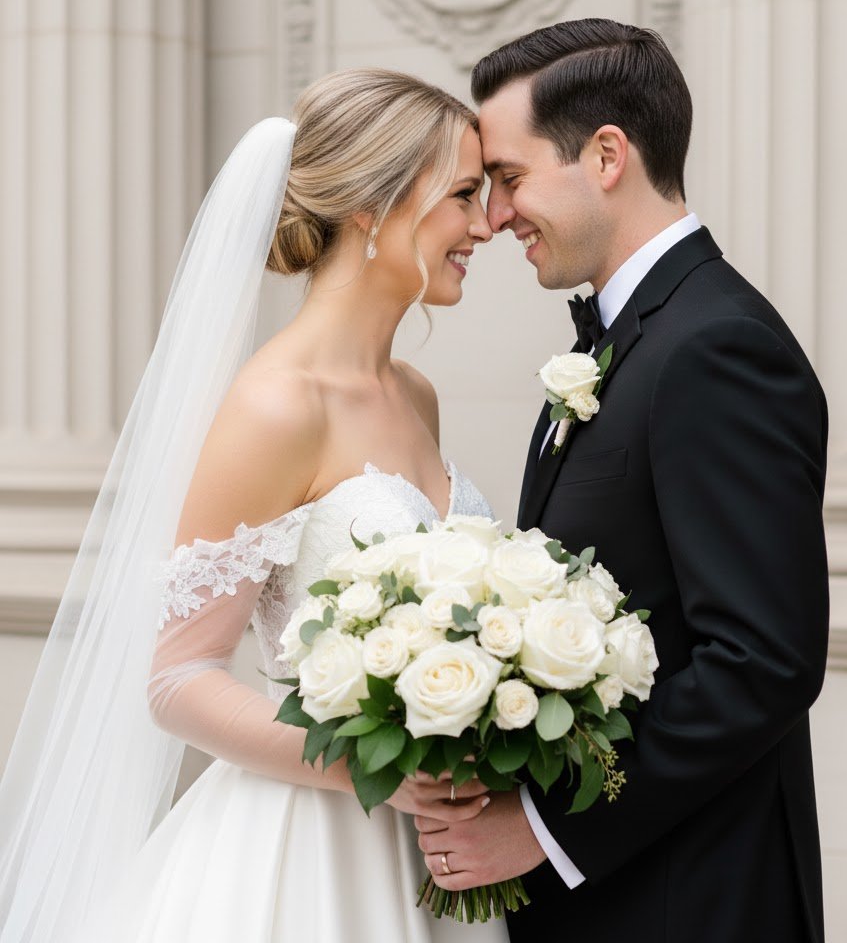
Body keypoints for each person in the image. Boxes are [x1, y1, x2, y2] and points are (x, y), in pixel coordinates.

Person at [0, 69, 508, 943]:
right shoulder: (276, 405)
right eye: (465, 195)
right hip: (304, 849)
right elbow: (174, 676)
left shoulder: (415, 395)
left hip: (425, 854)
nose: (487, 224)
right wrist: (366, 763)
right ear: (374, 206)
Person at [413, 19, 830, 943]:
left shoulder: (716, 347)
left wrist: (542, 828)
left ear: (607, 155)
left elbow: (763, 661)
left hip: (690, 900)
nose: (494, 217)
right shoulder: (634, 335)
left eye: (512, 180)